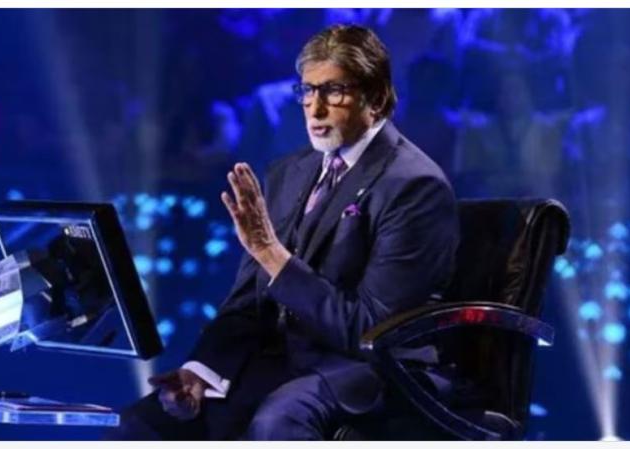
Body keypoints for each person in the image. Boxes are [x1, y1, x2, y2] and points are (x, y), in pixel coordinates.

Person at [107, 24, 460, 440]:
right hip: (283, 360)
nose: (315, 108)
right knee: (140, 423)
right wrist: (201, 371)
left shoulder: (414, 185)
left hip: (366, 371)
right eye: (307, 91)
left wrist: (272, 254)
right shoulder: (289, 172)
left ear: (377, 98)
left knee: (278, 420)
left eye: (334, 91)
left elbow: (373, 329)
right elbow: (247, 301)